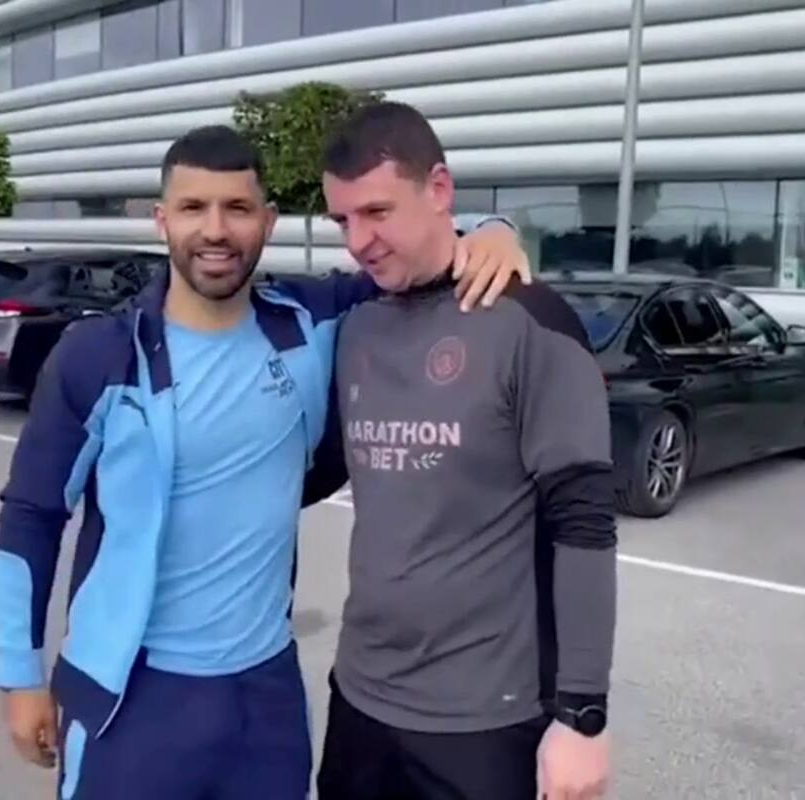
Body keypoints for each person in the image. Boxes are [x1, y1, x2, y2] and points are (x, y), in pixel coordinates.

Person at [0, 123, 531, 800]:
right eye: (193, 208)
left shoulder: (309, 320)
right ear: (162, 221)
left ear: (268, 223)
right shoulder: (99, 356)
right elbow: (32, 514)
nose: (215, 230)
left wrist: (494, 228)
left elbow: (415, 243)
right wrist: (18, 673)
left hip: (264, 698)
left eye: (237, 209)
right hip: (132, 699)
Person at [314, 101, 617, 800]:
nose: (359, 241)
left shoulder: (531, 322)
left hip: (484, 722)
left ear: (440, 190)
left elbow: (585, 525)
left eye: (378, 213)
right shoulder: (356, 324)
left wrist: (583, 715)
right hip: (360, 699)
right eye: (343, 220)